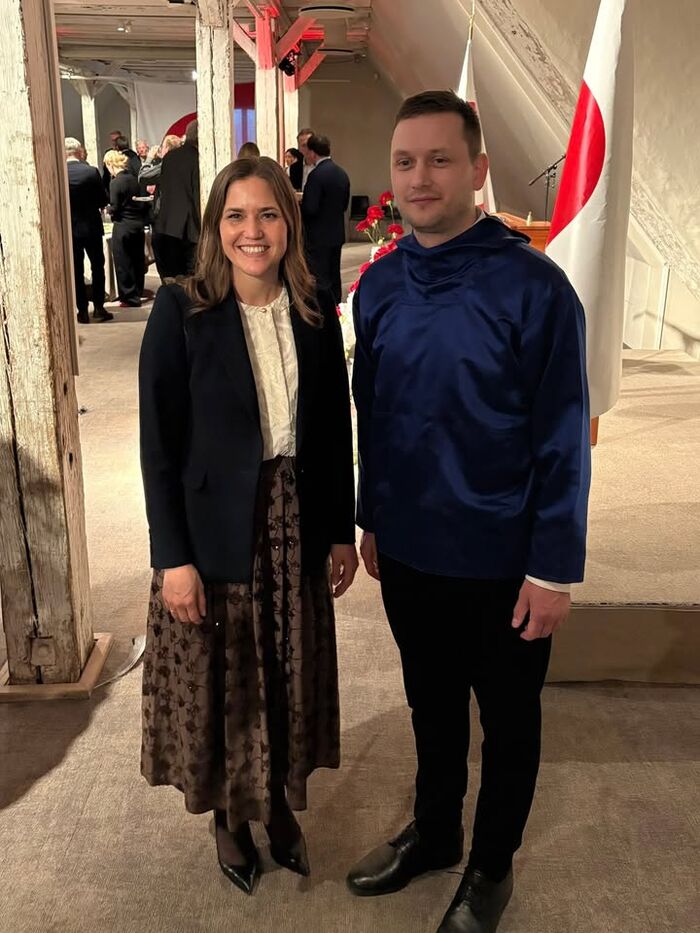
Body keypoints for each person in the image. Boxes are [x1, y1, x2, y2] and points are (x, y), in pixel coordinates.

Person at [348, 90, 591, 933]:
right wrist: (372, 518)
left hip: (504, 556)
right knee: (432, 703)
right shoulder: (379, 286)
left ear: (478, 169)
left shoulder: (536, 287)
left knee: (510, 722)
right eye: (405, 162)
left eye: (439, 160)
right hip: (411, 547)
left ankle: (491, 865)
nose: (420, 178)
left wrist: (553, 566)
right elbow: (373, 414)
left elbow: (564, 435)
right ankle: (437, 830)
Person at [138, 155, 358, 896]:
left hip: (296, 522)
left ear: (289, 224)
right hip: (215, 532)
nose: (251, 231)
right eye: (235, 216)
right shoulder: (182, 309)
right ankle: (230, 817)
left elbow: (331, 429)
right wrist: (172, 557)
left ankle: (279, 805)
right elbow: (158, 446)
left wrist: (338, 529)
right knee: (228, 683)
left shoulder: (312, 308)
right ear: (215, 227)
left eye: (267, 214)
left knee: (286, 672)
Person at [65, 137, 111, 323]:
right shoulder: (91, 171)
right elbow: (103, 200)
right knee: (97, 266)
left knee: (76, 270)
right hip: (91, 226)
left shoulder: (60, 172)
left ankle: (82, 310)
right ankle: (99, 307)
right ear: (78, 151)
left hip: (70, 228)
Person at [300, 134, 350, 305]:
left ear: (312, 153)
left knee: (320, 277)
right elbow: (344, 205)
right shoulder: (342, 174)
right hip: (336, 232)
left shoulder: (316, 176)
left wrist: (300, 204)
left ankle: (324, 311)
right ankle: (336, 307)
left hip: (317, 235)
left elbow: (311, 208)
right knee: (334, 273)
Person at [152, 119, 201, 279]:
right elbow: (197, 196)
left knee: (173, 279)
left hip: (167, 226)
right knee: (192, 279)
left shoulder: (170, 157)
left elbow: (162, 191)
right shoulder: (198, 158)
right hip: (190, 229)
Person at [104, 150, 147, 307]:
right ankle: (138, 291)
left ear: (111, 164)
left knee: (123, 262)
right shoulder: (135, 180)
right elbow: (142, 202)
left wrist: (108, 210)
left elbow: (115, 207)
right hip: (138, 224)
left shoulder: (116, 183)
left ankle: (129, 297)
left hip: (123, 225)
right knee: (137, 260)